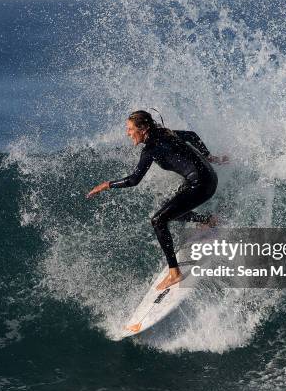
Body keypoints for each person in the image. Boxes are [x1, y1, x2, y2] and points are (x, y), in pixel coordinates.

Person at [86, 110, 228, 290]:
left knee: (158, 220)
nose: (127, 133)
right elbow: (191, 136)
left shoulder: (150, 149)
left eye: (130, 129)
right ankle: (208, 220)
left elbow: (133, 180)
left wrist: (106, 185)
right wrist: (208, 157)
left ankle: (175, 273)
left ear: (143, 128)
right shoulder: (165, 133)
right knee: (166, 208)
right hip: (208, 176)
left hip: (200, 185)